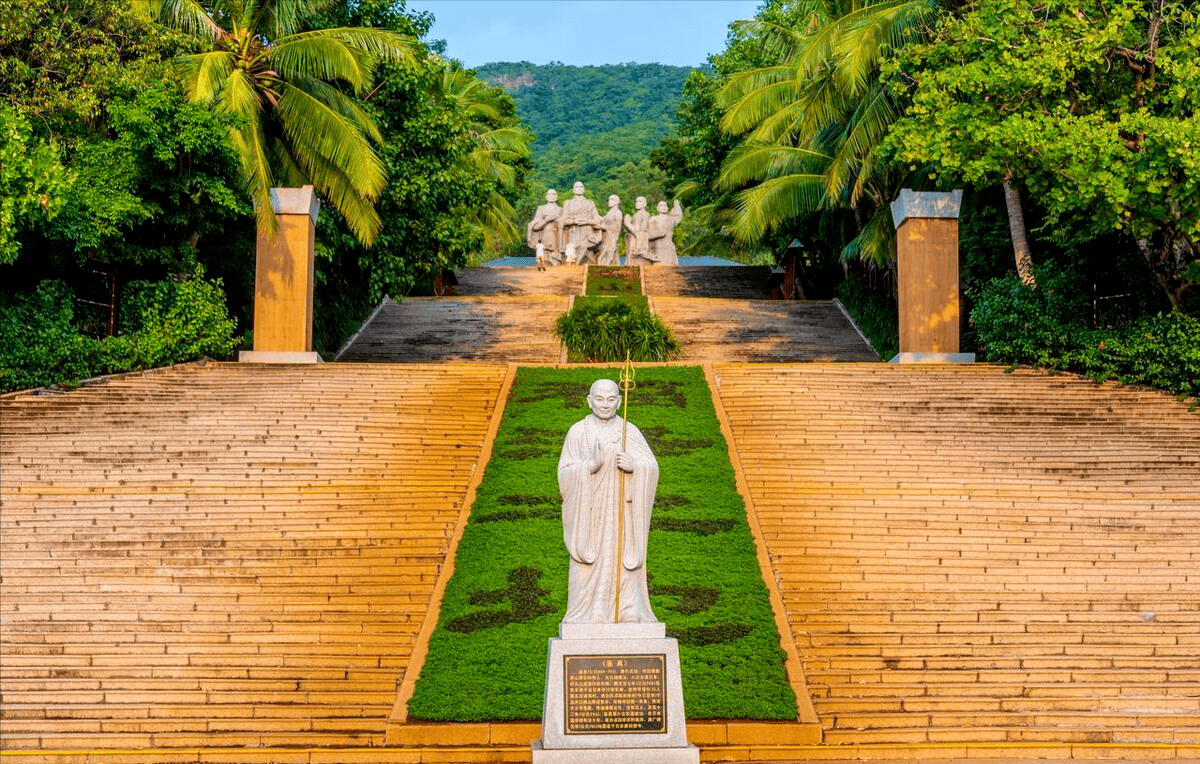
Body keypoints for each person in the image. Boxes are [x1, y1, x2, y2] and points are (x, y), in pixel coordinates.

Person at [558, 379, 659, 624]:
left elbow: (651, 466)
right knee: (589, 562)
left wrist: (635, 467)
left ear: (619, 401)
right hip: (590, 513)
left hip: (623, 513)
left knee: (622, 556)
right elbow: (564, 473)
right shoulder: (577, 432)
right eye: (600, 399)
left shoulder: (629, 431)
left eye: (611, 399)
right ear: (589, 400)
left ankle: (627, 609)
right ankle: (589, 612)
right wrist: (589, 467)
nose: (605, 404)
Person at [560, 181, 603, 264]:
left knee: (588, 258)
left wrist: (586, 221)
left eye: (580, 186)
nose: (579, 188)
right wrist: (574, 221)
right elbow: (563, 220)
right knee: (573, 256)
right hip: (574, 232)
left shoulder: (589, 203)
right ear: (573, 190)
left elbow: (597, 219)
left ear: (583, 189)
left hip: (587, 233)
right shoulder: (568, 203)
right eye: (576, 187)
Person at [527, 189, 562, 265]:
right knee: (544, 260)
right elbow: (535, 227)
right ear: (546, 196)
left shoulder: (560, 210)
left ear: (556, 196)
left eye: (553, 194)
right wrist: (546, 220)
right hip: (545, 237)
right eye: (549, 194)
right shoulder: (541, 209)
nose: (551, 196)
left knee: (556, 263)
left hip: (557, 240)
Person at [646, 200, 684, 266]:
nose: (663, 207)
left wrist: (677, 205)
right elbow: (648, 235)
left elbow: (679, 216)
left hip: (669, 248)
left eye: (665, 205)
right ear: (657, 208)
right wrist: (659, 234)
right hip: (658, 248)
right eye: (661, 205)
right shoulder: (654, 219)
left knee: (672, 269)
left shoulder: (671, 219)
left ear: (667, 208)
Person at [622, 196, 651, 266]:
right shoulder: (636, 215)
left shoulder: (645, 215)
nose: (637, 203)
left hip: (638, 245)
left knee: (636, 265)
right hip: (632, 243)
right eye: (636, 201)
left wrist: (628, 224)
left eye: (640, 201)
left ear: (645, 204)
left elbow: (641, 233)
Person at [597, 195, 623, 265]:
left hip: (612, 236)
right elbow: (602, 219)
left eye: (612, 199)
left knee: (610, 252)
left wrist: (603, 227)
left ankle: (609, 265)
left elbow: (617, 227)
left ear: (617, 202)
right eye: (609, 199)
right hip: (606, 236)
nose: (610, 201)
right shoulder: (609, 212)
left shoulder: (618, 213)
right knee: (608, 252)